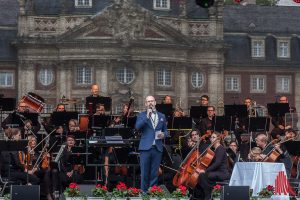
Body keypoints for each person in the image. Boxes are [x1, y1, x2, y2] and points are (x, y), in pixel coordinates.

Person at [135, 96, 168, 192]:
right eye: (148, 101)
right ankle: (144, 194)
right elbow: (137, 127)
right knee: (144, 173)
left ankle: (152, 193)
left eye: (152, 101)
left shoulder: (162, 116)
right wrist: (147, 116)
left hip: (157, 148)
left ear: (155, 102)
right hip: (145, 148)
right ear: (146, 104)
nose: (150, 103)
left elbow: (166, 131)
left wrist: (164, 134)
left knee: (154, 173)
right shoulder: (142, 115)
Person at [195, 132, 230, 200]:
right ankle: (209, 191)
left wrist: (205, 170)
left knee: (203, 175)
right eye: (211, 137)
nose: (211, 139)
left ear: (218, 139)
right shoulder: (215, 150)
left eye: (213, 137)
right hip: (216, 172)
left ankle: (209, 191)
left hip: (222, 173)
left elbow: (217, 163)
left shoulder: (220, 149)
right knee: (201, 175)